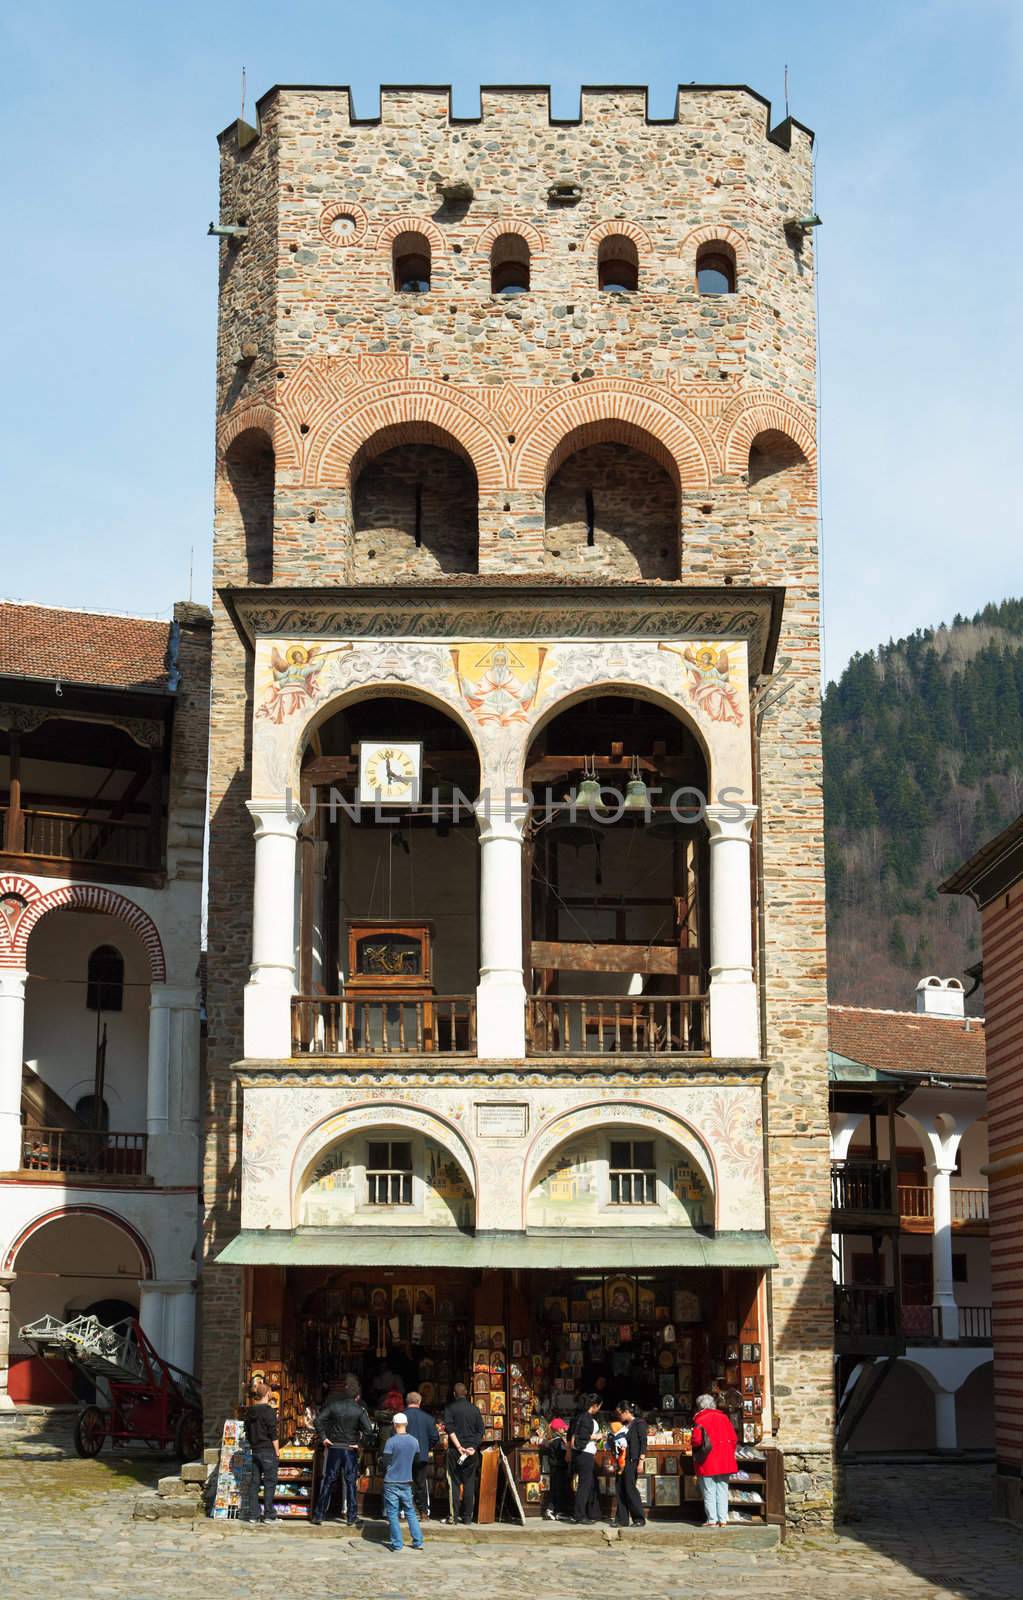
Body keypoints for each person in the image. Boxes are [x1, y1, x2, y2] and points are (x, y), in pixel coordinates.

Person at [310, 1377, 376, 1526]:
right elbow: (369, 1431)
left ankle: (319, 1515)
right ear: (357, 1396)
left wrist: (324, 1438)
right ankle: (351, 1516)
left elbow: (318, 1420)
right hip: (349, 1450)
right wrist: (359, 1444)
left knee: (328, 1481)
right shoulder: (359, 1410)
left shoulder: (334, 1406)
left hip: (334, 1448)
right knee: (351, 1482)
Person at [691, 1392, 738, 1528]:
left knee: (709, 1489)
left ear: (700, 1406)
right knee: (723, 1489)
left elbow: (696, 1440)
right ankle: (723, 1519)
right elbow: (734, 1439)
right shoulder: (724, 1418)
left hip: (707, 1460)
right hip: (724, 1459)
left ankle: (712, 1520)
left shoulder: (700, 1419)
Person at [381, 1413, 425, 1552]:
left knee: (392, 1513)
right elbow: (417, 1461)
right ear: (406, 1424)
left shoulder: (391, 1441)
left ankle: (397, 1544)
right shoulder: (414, 1441)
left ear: (394, 1425)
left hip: (391, 1481)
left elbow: (386, 1462)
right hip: (406, 1480)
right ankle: (417, 1541)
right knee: (410, 1511)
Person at [443, 1381, 485, 1525]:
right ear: (466, 1393)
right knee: (469, 1483)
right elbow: (481, 1430)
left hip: (455, 1451)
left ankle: (453, 1517)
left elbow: (449, 1429)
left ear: (454, 1394)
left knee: (454, 1483)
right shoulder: (475, 1409)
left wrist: (459, 1446)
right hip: (472, 1453)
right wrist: (473, 1447)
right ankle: (467, 1518)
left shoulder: (450, 1408)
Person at [242, 1380, 280, 1525]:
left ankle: (253, 1515)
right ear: (268, 1394)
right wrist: (277, 1452)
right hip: (267, 1450)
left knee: (254, 1483)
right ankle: (269, 1515)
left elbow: (247, 1431)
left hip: (255, 1450)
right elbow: (273, 1434)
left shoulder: (250, 1411)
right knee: (270, 1482)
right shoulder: (269, 1411)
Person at [404, 1391, 440, 1518]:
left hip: (404, 1456)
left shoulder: (401, 1416)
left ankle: (405, 1512)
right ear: (419, 1402)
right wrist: (426, 1447)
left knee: (404, 1483)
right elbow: (435, 1437)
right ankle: (423, 1512)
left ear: (407, 1401)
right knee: (420, 1483)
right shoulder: (428, 1418)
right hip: (421, 1455)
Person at [614, 1401, 648, 1529]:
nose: (620, 1416)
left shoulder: (639, 1423)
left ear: (627, 1412)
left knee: (630, 1488)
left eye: (620, 1413)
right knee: (620, 1488)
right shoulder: (624, 1426)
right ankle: (621, 1518)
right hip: (622, 1460)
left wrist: (641, 1461)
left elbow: (643, 1443)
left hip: (632, 1460)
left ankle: (639, 1517)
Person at [570, 1393, 603, 1524]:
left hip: (580, 1453)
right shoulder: (586, 1418)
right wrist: (596, 1437)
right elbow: (583, 1435)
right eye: (599, 1406)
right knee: (584, 1485)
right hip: (585, 1453)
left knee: (586, 1484)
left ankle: (589, 1512)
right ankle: (579, 1515)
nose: (599, 1409)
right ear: (594, 1406)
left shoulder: (579, 1417)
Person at [542, 1418, 571, 1521]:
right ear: (559, 1429)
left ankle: (550, 1510)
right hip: (559, 1467)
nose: (564, 1430)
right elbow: (564, 1454)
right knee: (559, 1490)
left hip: (554, 1468)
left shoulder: (550, 1440)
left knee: (555, 1489)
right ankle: (558, 1511)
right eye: (563, 1428)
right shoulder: (558, 1441)